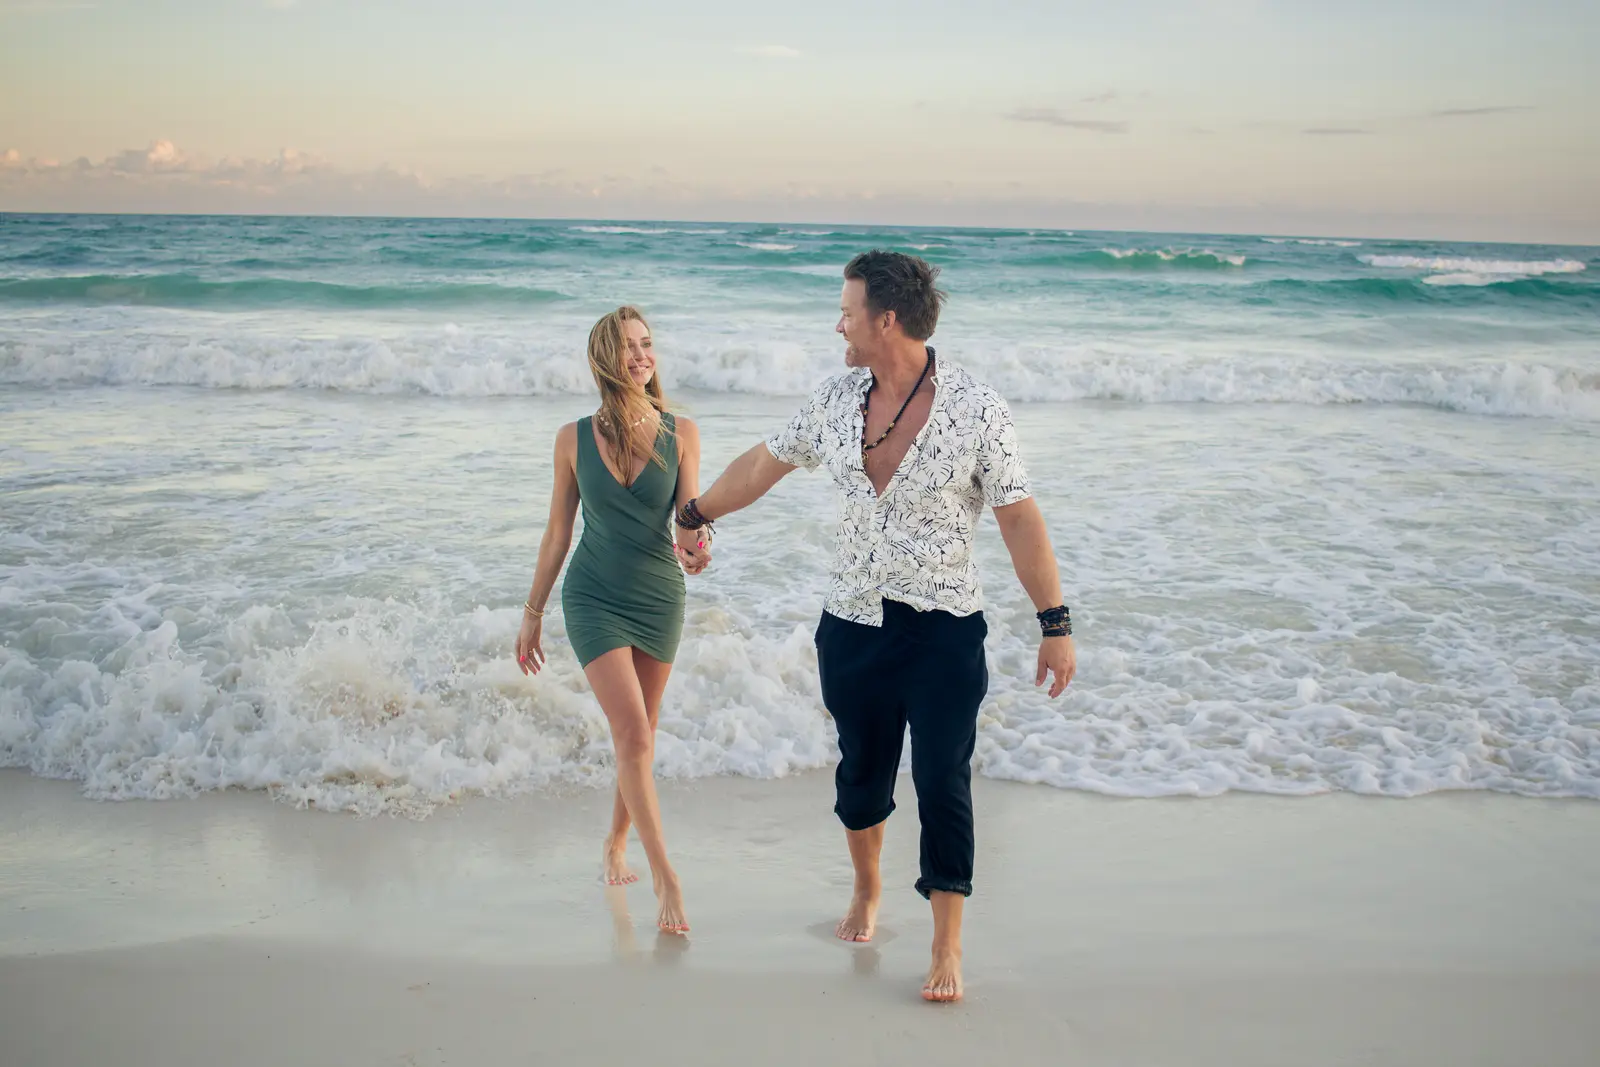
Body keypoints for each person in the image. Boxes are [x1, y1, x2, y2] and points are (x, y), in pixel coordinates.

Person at [674, 251, 1076, 1000]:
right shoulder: (835, 399)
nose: (839, 325)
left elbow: (1020, 518)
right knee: (860, 776)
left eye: (847, 312)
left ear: (885, 320)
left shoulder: (978, 408)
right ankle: (866, 888)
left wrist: (1055, 623)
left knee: (942, 778)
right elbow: (763, 465)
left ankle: (947, 942)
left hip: (944, 628)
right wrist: (695, 512)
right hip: (853, 623)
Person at [516, 305, 708, 936]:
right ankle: (665, 876)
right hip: (593, 597)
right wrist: (532, 613)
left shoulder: (682, 433)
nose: (641, 355)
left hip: (658, 598)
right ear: (604, 357)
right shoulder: (571, 440)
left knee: (639, 738)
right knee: (634, 736)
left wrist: (697, 547)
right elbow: (557, 534)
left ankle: (615, 841)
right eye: (628, 346)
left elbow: (688, 521)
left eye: (647, 343)